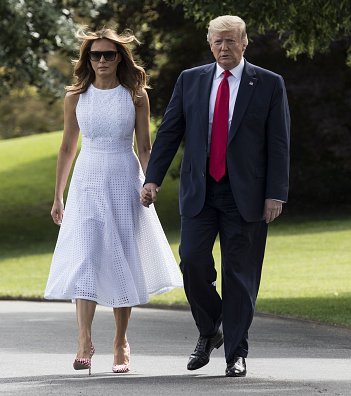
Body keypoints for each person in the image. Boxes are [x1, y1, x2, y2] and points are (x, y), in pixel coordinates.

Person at [141, 15, 290, 377]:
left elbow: (279, 142)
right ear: (210, 44)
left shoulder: (268, 83)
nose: (224, 48)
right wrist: (152, 178)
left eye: (231, 41)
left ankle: (236, 352)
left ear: (244, 43)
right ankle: (210, 330)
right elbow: (170, 130)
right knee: (192, 261)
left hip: (248, 195)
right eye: (218, 42)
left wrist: (275, 194)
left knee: (239, 275)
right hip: (200, 191)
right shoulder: (191, 80)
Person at [44, 27, 183, 375]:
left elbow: (146, 146)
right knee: (85, 257)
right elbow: (66, 147)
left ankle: (121, 340)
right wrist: (58, 195)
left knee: (122, 255)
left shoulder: (135, 95)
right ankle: (83, 340)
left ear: (120, 57)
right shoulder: (76, 96)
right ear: (87, 59)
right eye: (96, 55)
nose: (102, 60)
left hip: (124, 178)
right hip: (87, 180)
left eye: (109, 54)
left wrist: (150, 183)